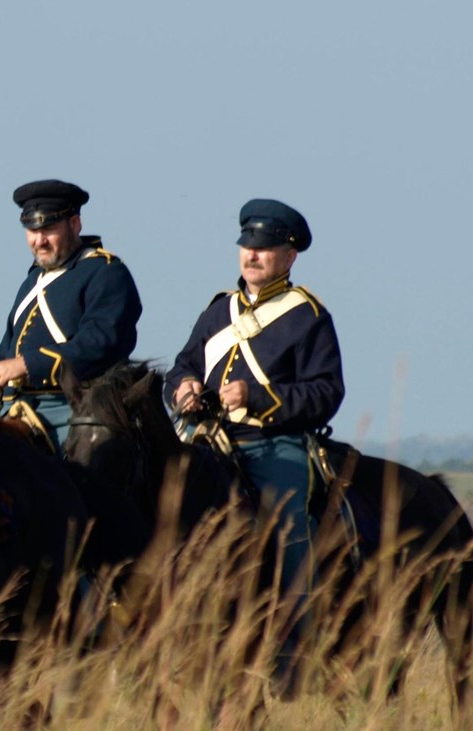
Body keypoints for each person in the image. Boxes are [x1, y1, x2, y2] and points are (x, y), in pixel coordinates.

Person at [165, 198, 344, 682]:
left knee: (288, 524)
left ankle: (293, 648)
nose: (252, 255)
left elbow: (326, 391)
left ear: (289, 255)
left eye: (264, 248)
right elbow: (184, 364)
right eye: (247, 246)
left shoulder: (307, 316)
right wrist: (182, 388)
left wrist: (257, 396)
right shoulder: (217, 310)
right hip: (205, 440)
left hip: (272, 443)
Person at [0, 180, 142, 450]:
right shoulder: (33, 279)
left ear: (75, 224)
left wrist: (28, 365)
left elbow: (102, 342)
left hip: (73, 407)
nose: (39, 241)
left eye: (48, 229)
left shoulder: (105, 272)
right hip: (16, 406)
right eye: (32, 230)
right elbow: (5, 351)